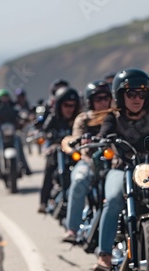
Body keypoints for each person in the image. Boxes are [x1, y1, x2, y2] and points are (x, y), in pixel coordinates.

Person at [92, 68, 149, 271]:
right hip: (121, 168)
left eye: (141, 93)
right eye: (131, 93)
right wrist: (98, 140)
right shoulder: (113, 118)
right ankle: (104, 256)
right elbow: (103, 135)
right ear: (120, 96)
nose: (137, 98)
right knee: (112, 199)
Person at [60, 80, 114, 242]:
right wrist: (80, 141)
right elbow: (75, 136)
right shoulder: (83, 119)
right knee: (78, 181)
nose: (103, 102)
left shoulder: (116, 115)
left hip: (114, 162)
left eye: (106, 98)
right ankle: (72, 229)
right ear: (90, 101)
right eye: (99, 99)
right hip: (89, 162)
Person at [38, 86, 80, 213]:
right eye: (66, 105)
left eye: (72, 105)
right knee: (49, 167)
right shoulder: (54, 118)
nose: (69, 109)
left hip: (74, 151)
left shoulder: (78, 119)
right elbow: (45, 130)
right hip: (58, 151)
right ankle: (43, 202)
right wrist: (48, 135)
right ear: (59, 105)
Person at [0, 88, 32, 176]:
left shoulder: (13, 106)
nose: (4, 99)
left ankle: (25, 167)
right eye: (2, 97)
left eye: (6, 96)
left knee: (19, 143)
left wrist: (24, 118)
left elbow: (20, 113)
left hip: (11, 131)